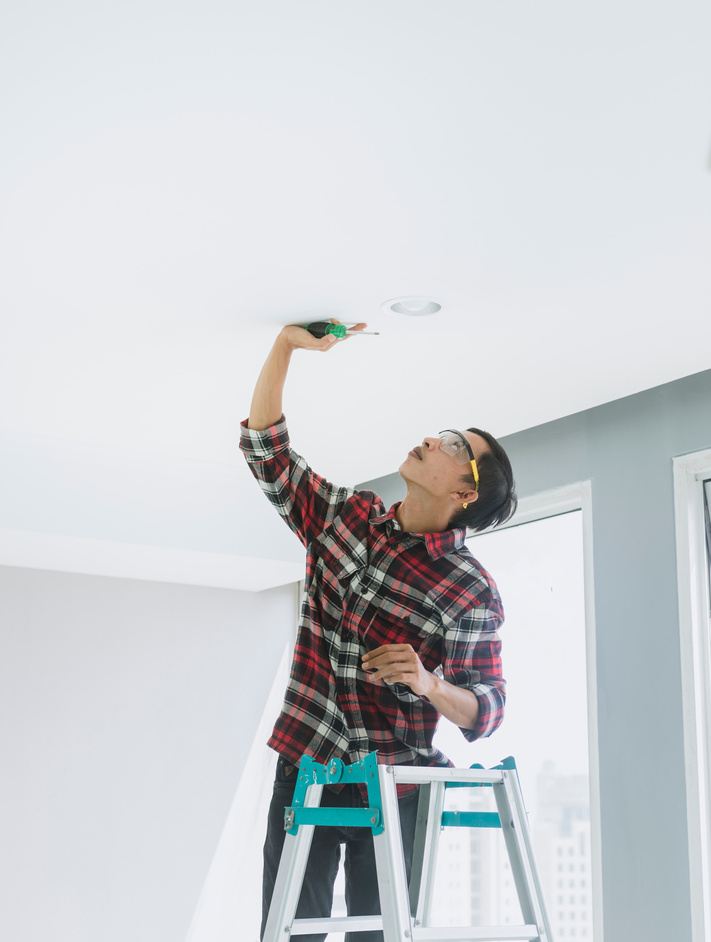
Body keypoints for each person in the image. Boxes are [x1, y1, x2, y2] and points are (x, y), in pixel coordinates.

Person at [240, 322, 517, 942]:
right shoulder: (346, 519)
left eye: (450, 444)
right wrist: (285, 346)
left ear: (465, 490)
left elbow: (487, 710)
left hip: (398, 791)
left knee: (380, 937)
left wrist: (430, 683)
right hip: (307, 765)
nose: (430, 440)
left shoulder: (470, 588)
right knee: (287, 934)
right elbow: (267, 451)